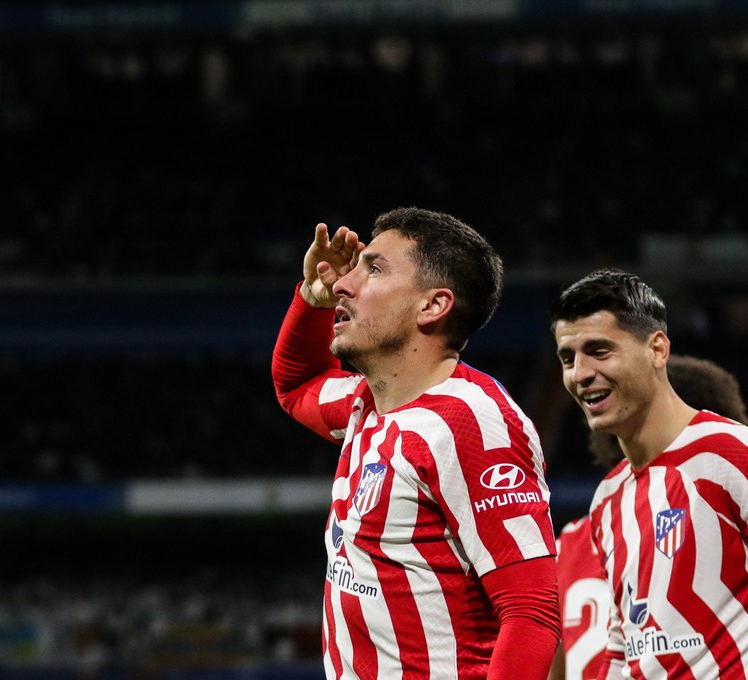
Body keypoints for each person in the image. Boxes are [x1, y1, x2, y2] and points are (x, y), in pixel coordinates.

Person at [272, 207, 560, 680]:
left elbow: (531, 611)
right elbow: (296, 385)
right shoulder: (367, 404)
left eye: (374, 270)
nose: (343, 283)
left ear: (433, 305)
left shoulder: (472, 421)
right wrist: (310, 298)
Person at [549, 268, 748, 679]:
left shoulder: (730, 453)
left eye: (599, 351)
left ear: (657, 349)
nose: (580, 374)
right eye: (568, 358)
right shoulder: (608, 497)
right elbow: (625, 641)